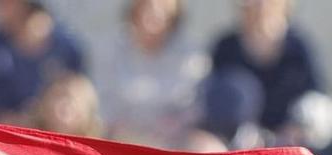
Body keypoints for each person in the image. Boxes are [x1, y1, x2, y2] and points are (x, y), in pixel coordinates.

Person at [97, 0, 207, 146]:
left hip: (176, 139)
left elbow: (195, 103)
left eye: (162, 8)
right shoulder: (111, 49)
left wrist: (171, 128)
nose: (154, 12)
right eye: (147, 6)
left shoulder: (191, 54)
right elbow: (104, 101)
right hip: (124, 138)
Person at [208, 0, 320, 137]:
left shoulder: (298, 49)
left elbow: (316, 99)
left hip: (289, 143)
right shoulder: (225, 47)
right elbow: (210, 100)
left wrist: (298, 128)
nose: (261, 5)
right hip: (236, 142)